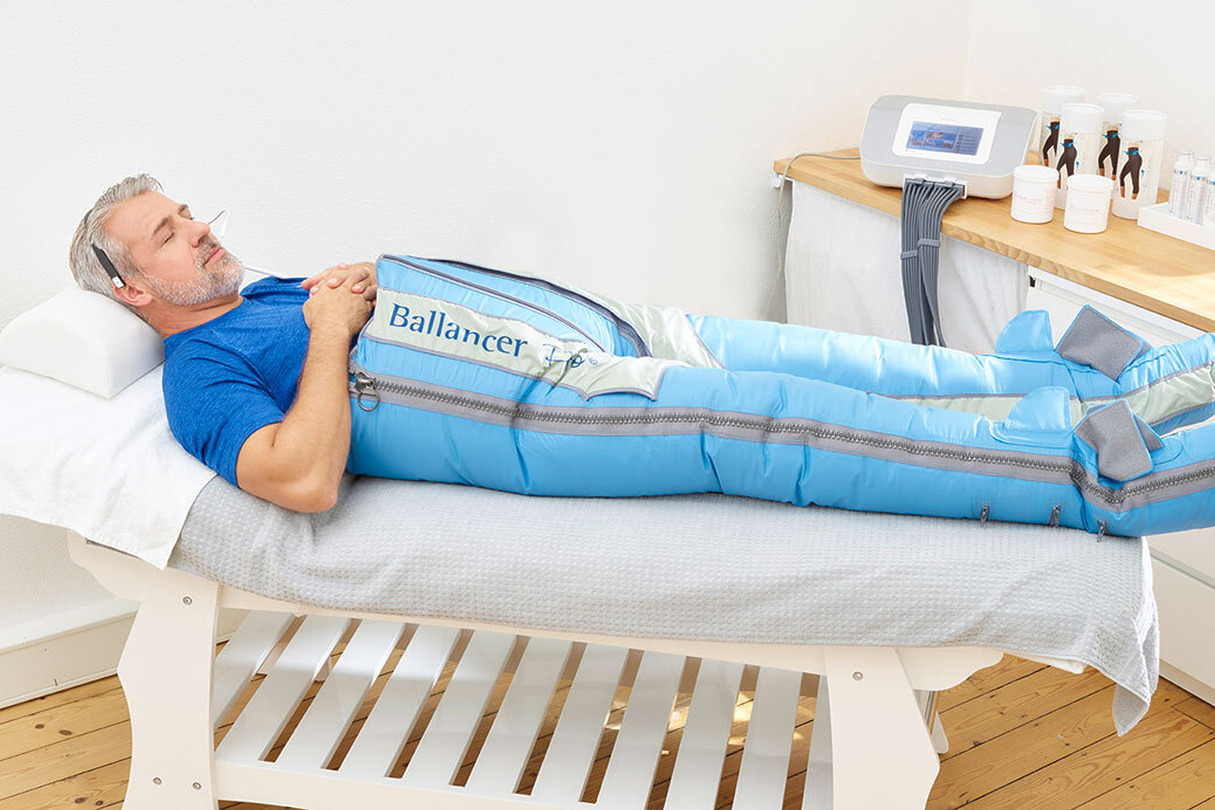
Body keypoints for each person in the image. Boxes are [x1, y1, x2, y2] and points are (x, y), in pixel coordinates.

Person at [70, 175, 1215, 536]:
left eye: (188, 211)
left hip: (619, 327)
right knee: (785, 418)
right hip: (567, 401)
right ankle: (1117, 473)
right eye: (167, 236)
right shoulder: (200, 376)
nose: (200, 230)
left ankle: (1142, 380)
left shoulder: (261, 289)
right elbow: (301, 478)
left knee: (874, 363)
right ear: (132, 290)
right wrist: (330, 332)